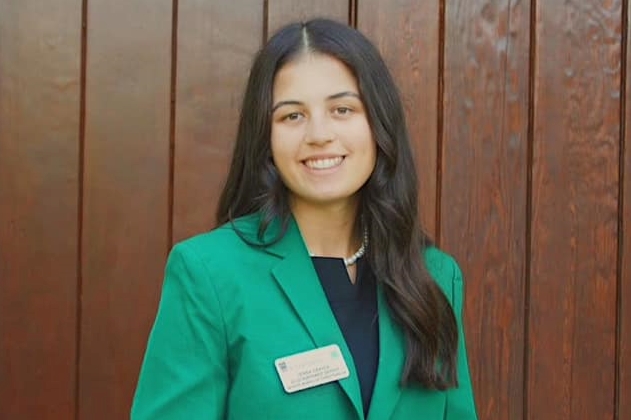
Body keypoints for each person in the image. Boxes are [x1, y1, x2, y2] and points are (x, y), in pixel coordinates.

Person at [131, 18, 477, 420]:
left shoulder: (435, 277)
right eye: (292, 116)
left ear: (379, 124)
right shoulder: (209, 275)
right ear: (266, 138)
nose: (319, 134)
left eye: (342, 109)